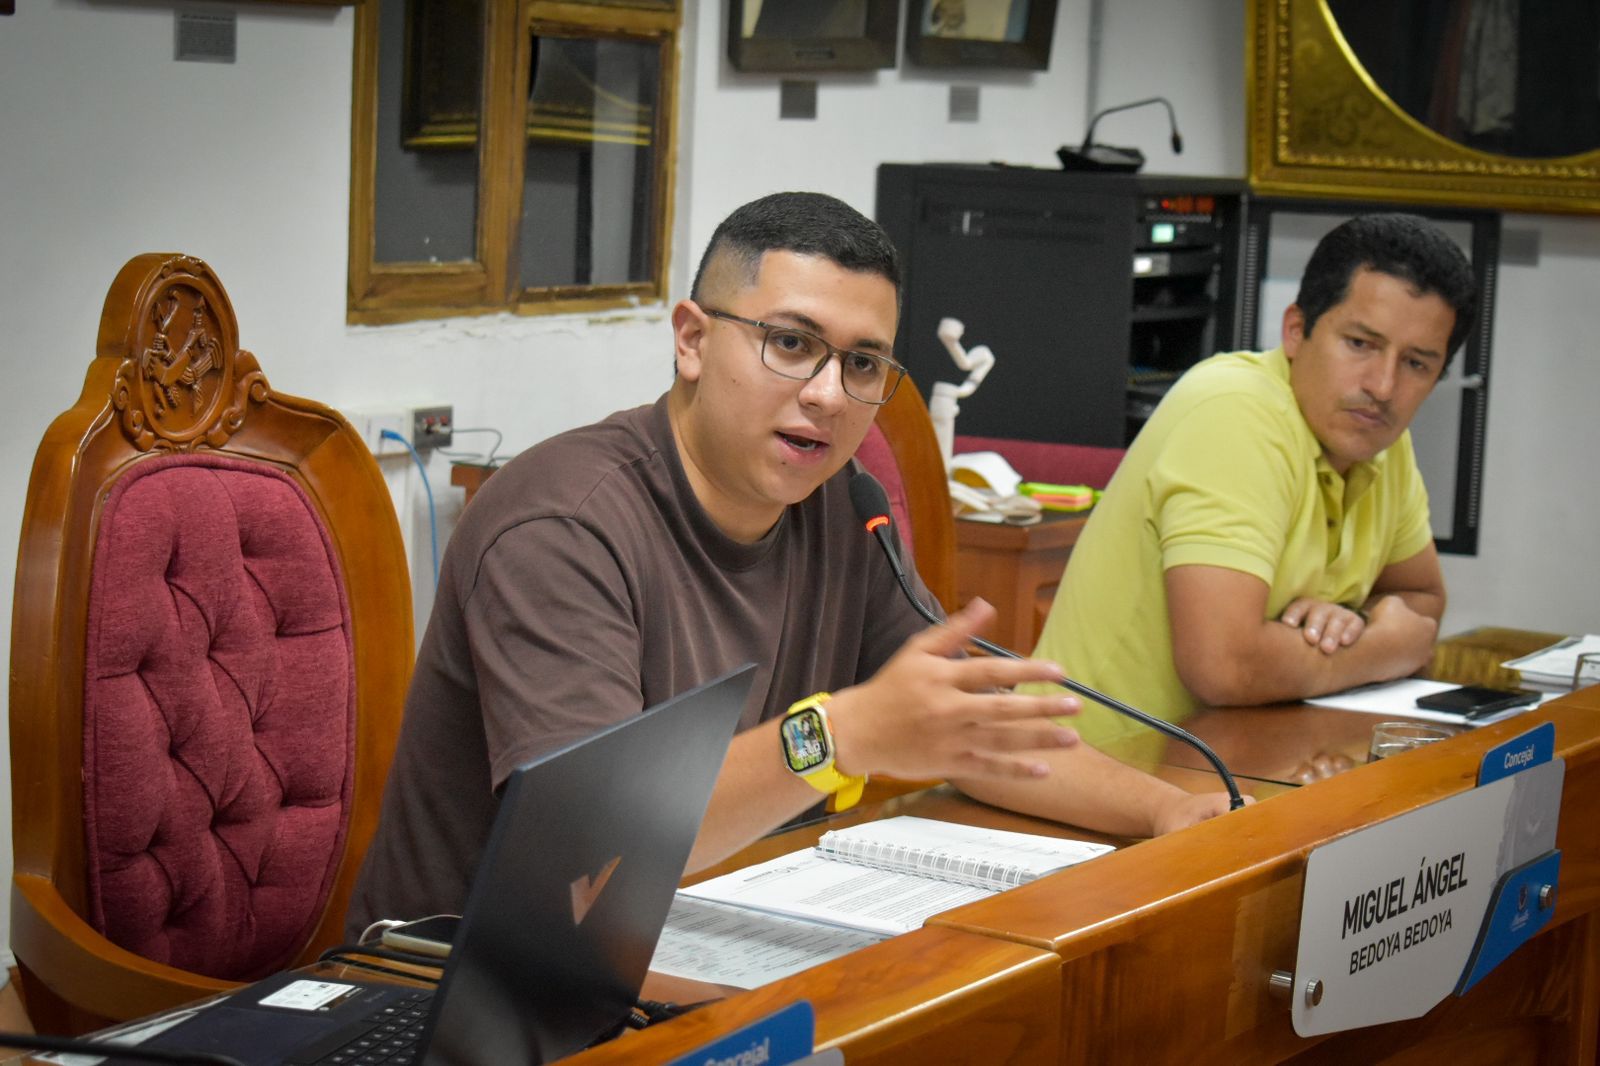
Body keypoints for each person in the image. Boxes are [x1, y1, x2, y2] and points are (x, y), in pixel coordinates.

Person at [347, 192, 1238, 934]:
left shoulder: (844, 509)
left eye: (862, 363)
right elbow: (596, 844)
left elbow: (971, 731)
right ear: (691, 339)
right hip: (473, 990)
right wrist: (838, 736)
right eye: (790, 343)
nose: (826, 393)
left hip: (720, 936)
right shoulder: (561, 526)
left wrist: (1164, 813)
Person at [1027, 212, 1474, 751]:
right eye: (1360, 343)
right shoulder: (1236, 412)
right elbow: (1222, 666)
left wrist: (1352, 620)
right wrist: (1380, 649)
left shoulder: (1378, 438)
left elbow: (1421, 601)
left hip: (1234, 762)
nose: (1382, 386)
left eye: (1417, 364)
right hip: (1084, 775)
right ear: (1295, 330)